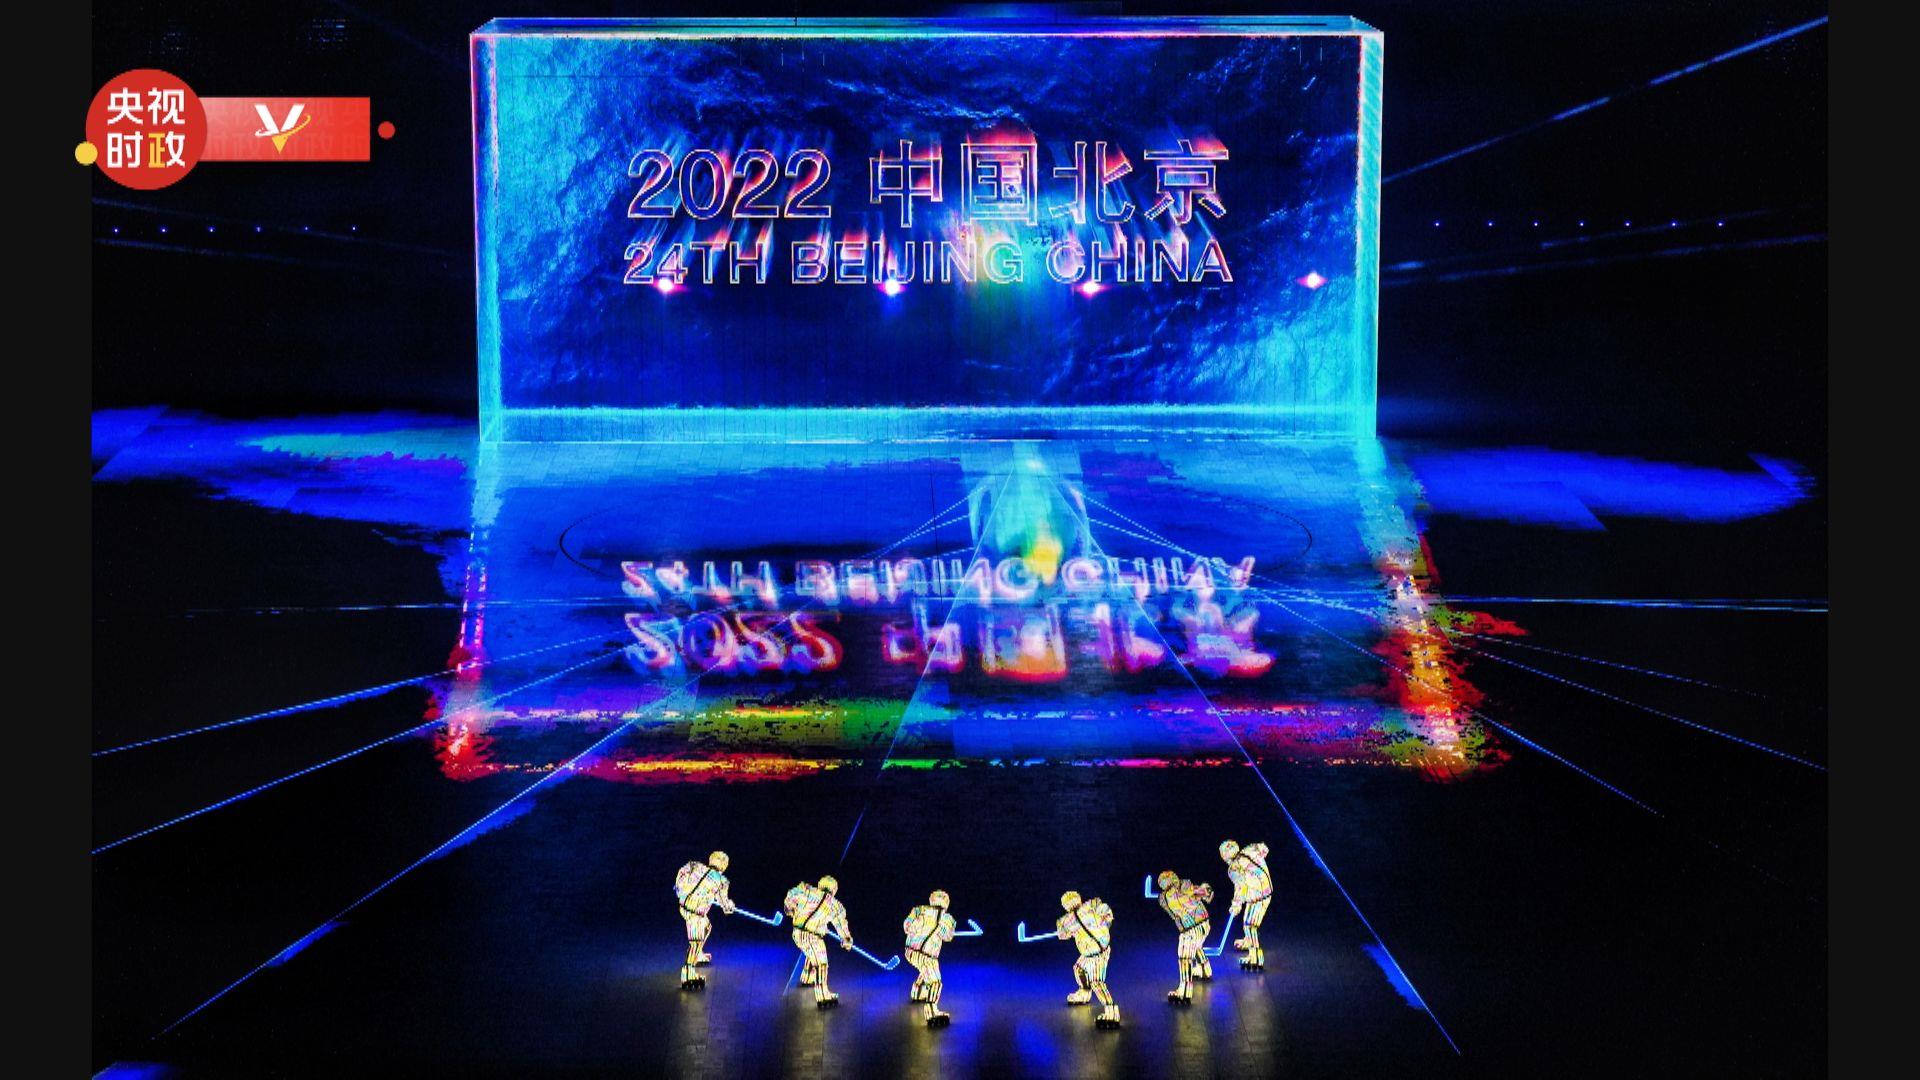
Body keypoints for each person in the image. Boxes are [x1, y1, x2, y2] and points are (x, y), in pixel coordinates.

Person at [784, 875, 855, 1008]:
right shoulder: (835, 905)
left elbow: (791, 894)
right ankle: (823, 996)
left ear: (820, 885)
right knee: (821, 964)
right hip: (812, 936)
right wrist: (846, 939)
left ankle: (807, 977)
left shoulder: (807, 891)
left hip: (797, 933)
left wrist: (790, 909)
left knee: (811, 952)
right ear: (834, 890)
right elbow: (841, 925)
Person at [1056, 891, 1121, 1029]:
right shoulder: (1088, 907)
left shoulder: (1075, 916)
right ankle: (1085, 992)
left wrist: (1100, 925)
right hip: (1089, 953)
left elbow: (1062, 934)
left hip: (1097, 954)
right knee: (1079, 968)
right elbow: (1063, 934)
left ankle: (1111, 1012)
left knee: (1096, 982)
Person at [673, 851, 735, 990]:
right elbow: (726, 906)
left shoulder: (694, 866)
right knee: (695, 942)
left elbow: (681, 874)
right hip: (695, 914)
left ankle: (698, 954)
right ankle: (688, 974)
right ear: (724, 866)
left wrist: (681, 891)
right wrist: (730, 906)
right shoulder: (722, 881)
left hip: (683, 906)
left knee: (707, 927)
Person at [1154, 870, 1214, 1003]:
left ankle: (1185, 992)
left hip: (1191, 929)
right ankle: (1205, 969)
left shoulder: (1172, 893)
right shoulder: (1182, 887)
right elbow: (1206, 893)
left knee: (1184, 958)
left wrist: (1201, 891)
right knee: (1196, 946)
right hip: (1204, 923)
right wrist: (1202, 891)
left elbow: (1205, 893)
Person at [903, 889, 958, 1027]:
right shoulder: (946, 918)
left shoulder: (918, 910)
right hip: (927, 955)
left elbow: (906, 926)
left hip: (909, 951)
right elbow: (947, 936)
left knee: (925, 970)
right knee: (935, 982)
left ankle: (917, 991)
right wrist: (944, 925)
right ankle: (932, 1012)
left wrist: (919, 925)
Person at [1220, 840, 1273, 970]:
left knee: (1249, 925)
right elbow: (1264, 849)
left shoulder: (1234, 868)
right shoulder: (1250, 849)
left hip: (1258, 895)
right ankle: (1248, 940)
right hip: (1265, 890)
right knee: (1247, 920)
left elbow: (1240, 887)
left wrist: (1236, 905)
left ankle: (1255, 957)